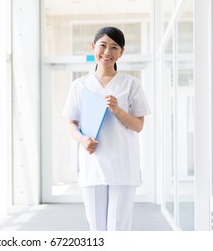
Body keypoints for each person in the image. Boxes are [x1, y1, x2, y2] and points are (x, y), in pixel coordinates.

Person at [62, 27, 150, 231]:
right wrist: (83, 140)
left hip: (123, 165)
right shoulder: (80, 85)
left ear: (121, 52)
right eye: (103, 45)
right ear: (94, 47)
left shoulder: (131, 84)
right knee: (96, 227)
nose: (107, 52)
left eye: (114, 47)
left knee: (118, 227)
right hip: (93, 163)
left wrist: (118, 110)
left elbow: (138, 125)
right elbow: (70, 123)